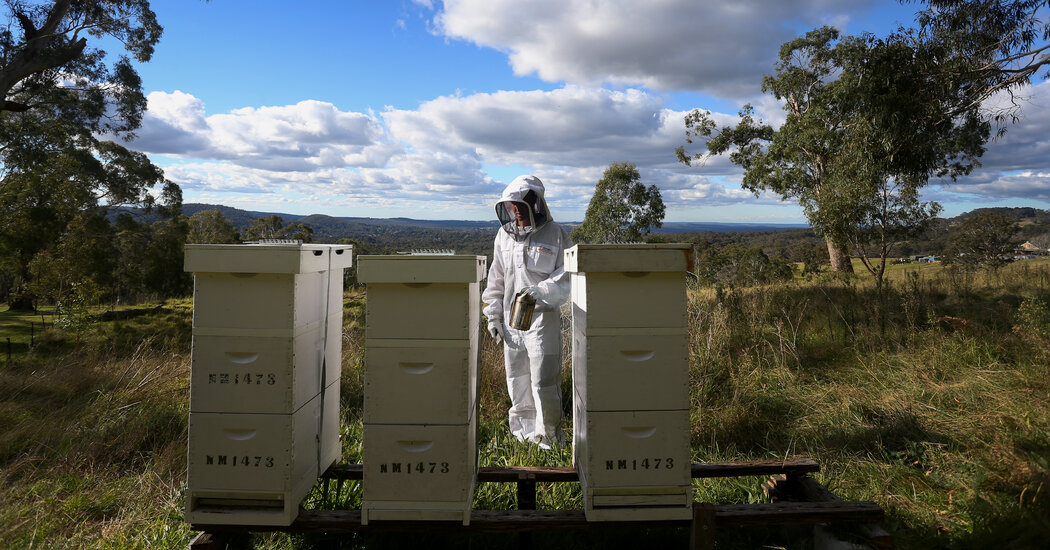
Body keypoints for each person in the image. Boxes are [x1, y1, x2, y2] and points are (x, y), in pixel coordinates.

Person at [482, 175, 573, 449]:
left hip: (541, 321)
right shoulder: (503, 236)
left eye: (522, 205)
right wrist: (493, 316)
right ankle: (523, 434)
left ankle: (548, 439)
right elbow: (496, 278)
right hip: (512, 321)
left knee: (544, 381)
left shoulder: (556, 233)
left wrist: (542, 290)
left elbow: (567, 273)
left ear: (536, 204)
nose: (517, 211)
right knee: (517, 378)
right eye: (512, 206)